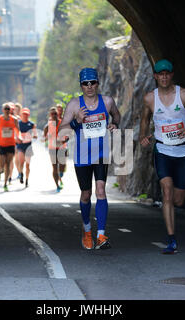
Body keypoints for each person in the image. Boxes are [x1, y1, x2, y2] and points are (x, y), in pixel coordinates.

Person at [139, 59, 185, 254]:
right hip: (163, 150)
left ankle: (170, 213)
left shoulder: (184, 94)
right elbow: (145, 119)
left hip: (183, 150)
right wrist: (143, 136)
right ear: (155, 76)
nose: (164, 77)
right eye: (160, 74)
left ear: (171, 74)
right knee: (166, 191)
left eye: (167, 73)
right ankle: (171, 239)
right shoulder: (150, 98)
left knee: (178, 200)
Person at [58, 67, 120, 250]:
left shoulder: (107, 102)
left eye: (92, 82)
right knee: (86, 194)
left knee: (101, 190)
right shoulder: (74, 105)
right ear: (81, 86)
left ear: (97, 83)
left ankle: (101, 235)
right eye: (85, 83)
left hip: (101, 153)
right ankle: (86, 230)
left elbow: (116, 115)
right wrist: (77, 121)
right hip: (82, 155)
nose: (90, 86)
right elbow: (62, 131)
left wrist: (115, 124)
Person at [0, 102, 22, 192]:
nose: (7, 111)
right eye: (6, 109)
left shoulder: (14, 120)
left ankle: (5, 183)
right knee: (2, 164)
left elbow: (17, 131)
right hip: (1, 145)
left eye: (9, 109)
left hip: (11, 144)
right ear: (2, 110)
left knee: (8, 164)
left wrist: (18, 137)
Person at [44, 106, 66, 193]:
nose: (54, 115)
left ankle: (60, 175)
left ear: (58, 114)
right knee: (54, 167)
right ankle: (57, 185)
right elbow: (44, 135)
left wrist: (63, 141)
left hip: (61, 147)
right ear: (50, 115)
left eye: (55, 113)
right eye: (52, 114)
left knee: (62, 165)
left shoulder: (62, 123)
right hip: (52, 148)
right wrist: (46, 139)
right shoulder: (48, 125)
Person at [16, 108, 38, 187]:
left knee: (28, 165)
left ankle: (27, 180)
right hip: (21, 145)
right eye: (23, 114)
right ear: (21, 115)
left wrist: (34, 135)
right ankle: (21, 173)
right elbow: (15, 133)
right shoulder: (18, 124)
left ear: (28, 115)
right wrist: (17, 138)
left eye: (26, 114)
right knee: (21, 162)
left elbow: (35, 135)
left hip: (28, 146)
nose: (25, 116)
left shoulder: (31, 124)